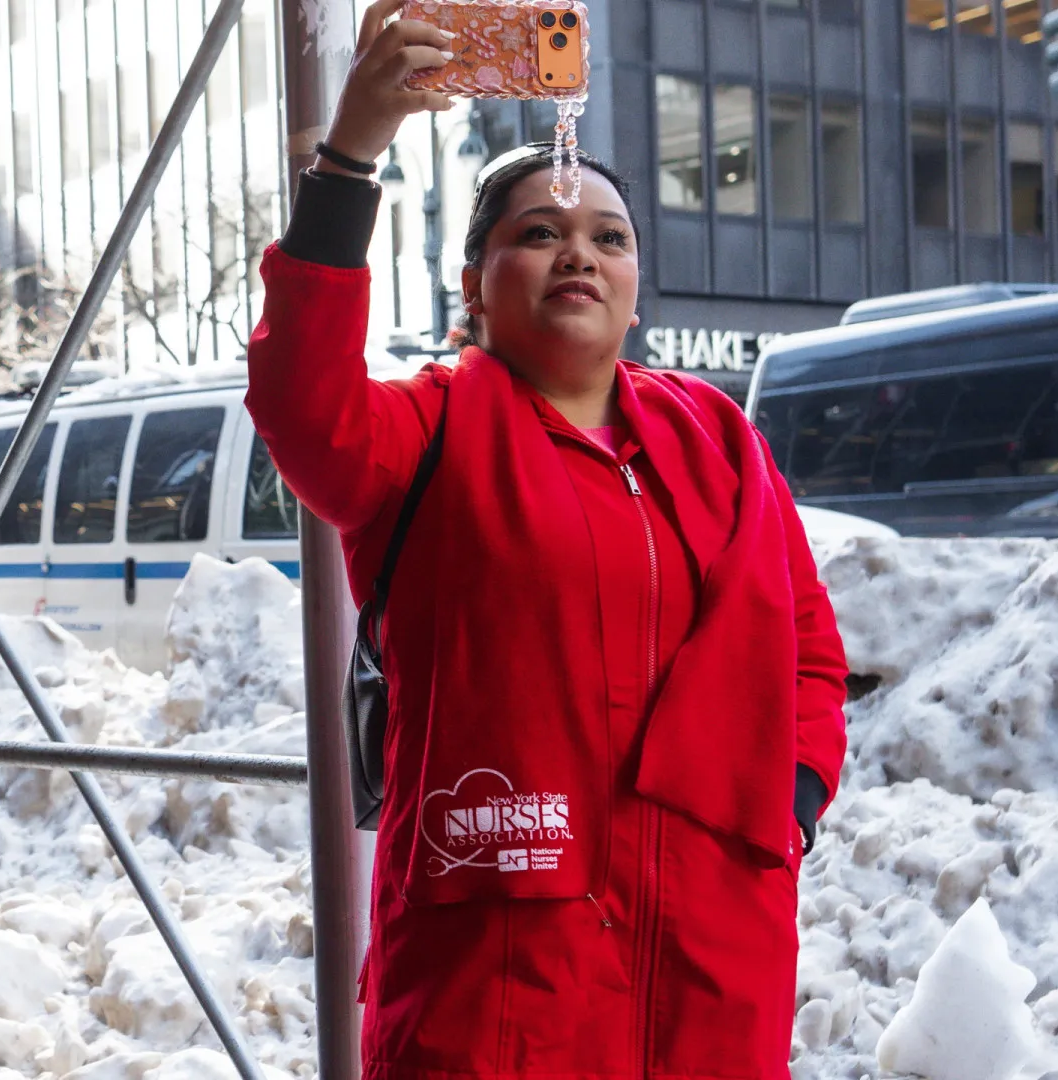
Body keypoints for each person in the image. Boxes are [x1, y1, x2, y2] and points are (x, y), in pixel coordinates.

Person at [243, 3, 849, 1078]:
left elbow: (805, 647)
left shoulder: (720, 437)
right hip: (503, 976)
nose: (579, 251)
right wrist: (350, 158)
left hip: (710, 953)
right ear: (475, 288)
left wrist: (791, 799)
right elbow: (302, 401)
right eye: (538, 233)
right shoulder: (424, 432)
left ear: (633, 286)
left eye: (608, 237)